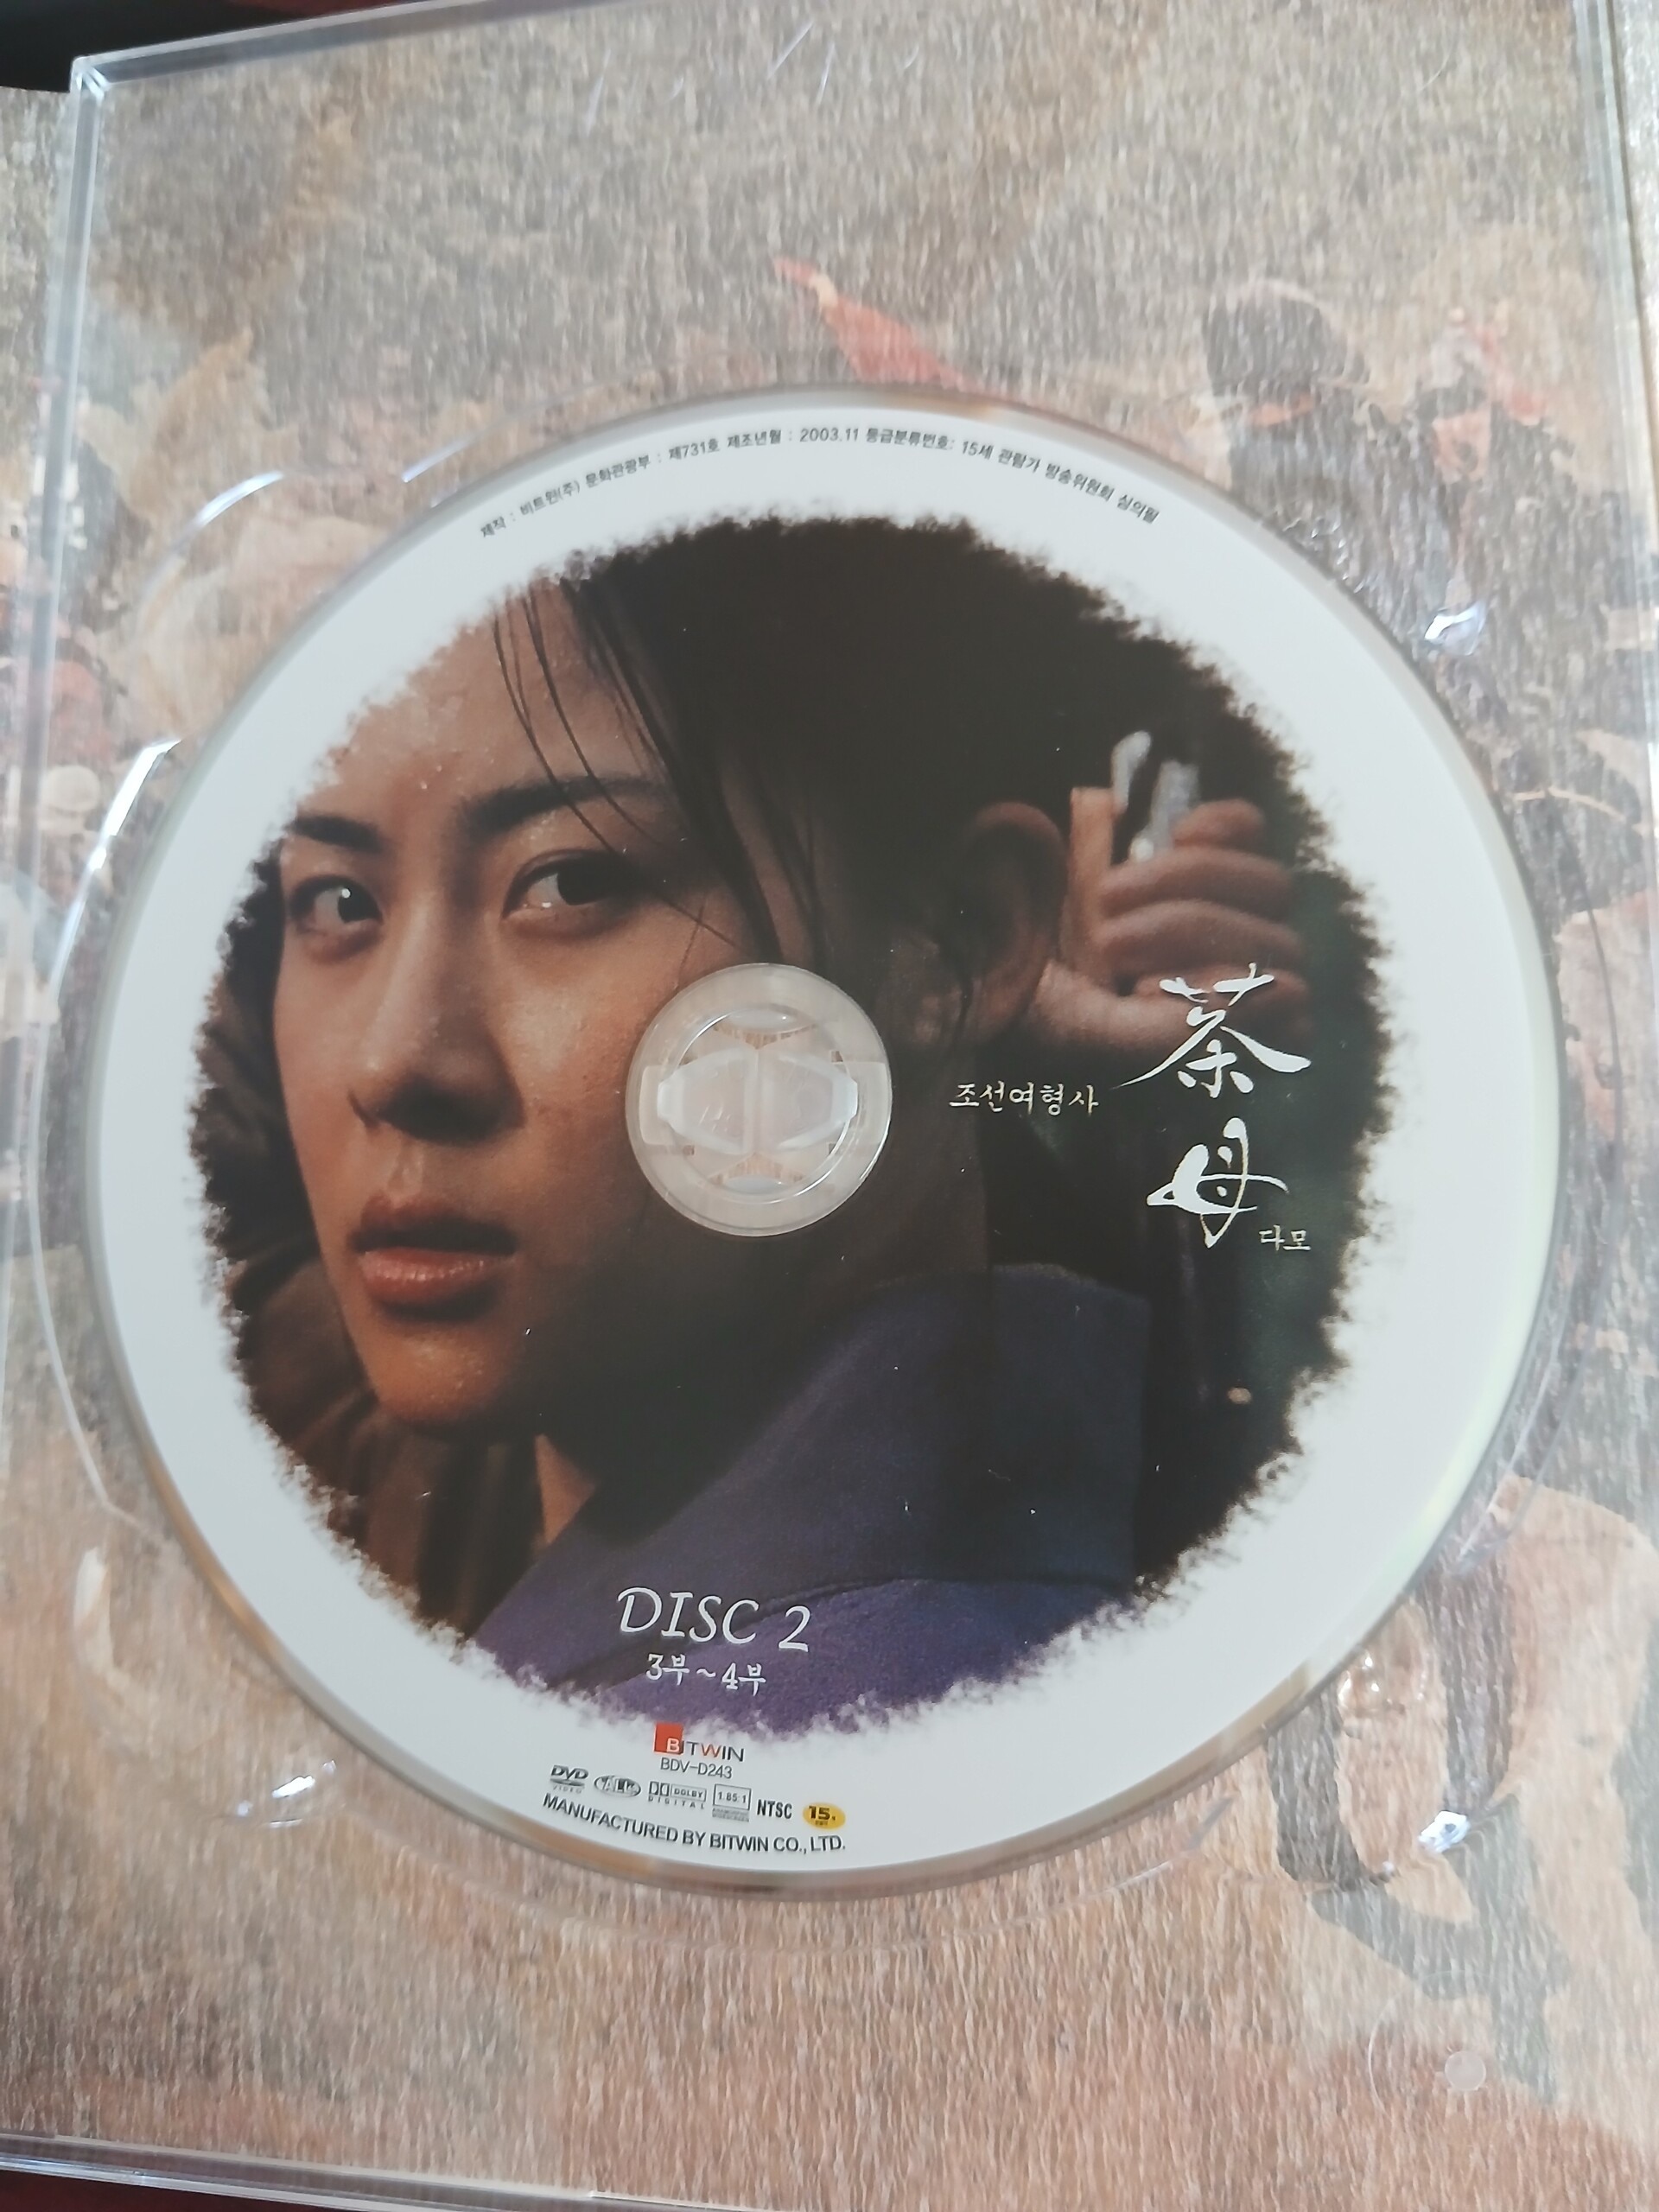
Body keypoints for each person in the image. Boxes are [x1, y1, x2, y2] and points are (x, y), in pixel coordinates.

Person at [196, 516, 1317, 1729]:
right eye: (338, 902)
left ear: (969, 924)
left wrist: (960, 1007)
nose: (391, 1063)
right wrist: (949, 1009)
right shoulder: (487, 1489)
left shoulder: (846, 1702)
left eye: (573, 879)